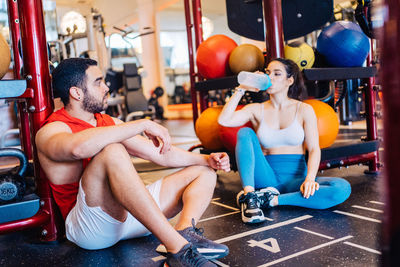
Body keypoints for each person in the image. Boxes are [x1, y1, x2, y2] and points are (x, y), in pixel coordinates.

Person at [36, 58, 231, 266]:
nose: (106, 87)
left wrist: (207, 159)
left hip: (133, 217)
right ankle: (179, 251)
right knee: (112, 150)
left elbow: (161, 154)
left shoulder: (108, 122)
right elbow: (78, 148)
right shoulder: (52, 130)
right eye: (98, 82)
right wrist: (142, 124)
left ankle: (184, 233)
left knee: (204, 171)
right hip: (92, 229)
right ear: (76, 92)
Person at [218, 58, 351, 224]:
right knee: (245, 133)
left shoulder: (304, 109)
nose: (270, 77)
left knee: (341, 189)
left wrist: (310, 178)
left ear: (290, 80)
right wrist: (242, 88)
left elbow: (314, 149)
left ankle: (270, 200)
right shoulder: (256, 109)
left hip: (296, 180)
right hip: (265, 178)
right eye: (267, 73)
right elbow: (224, 120)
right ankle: (250, 196)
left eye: (276, 73)